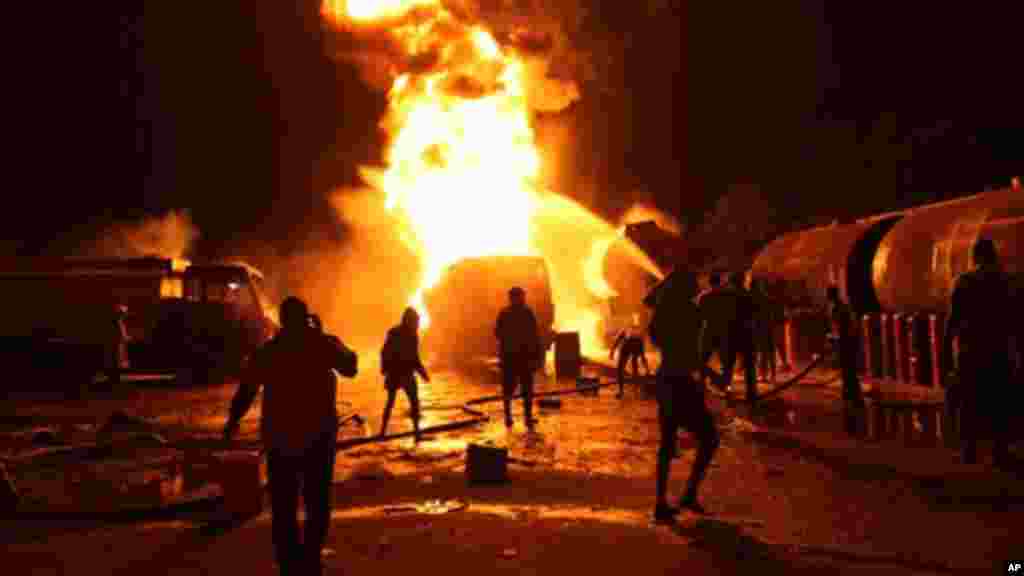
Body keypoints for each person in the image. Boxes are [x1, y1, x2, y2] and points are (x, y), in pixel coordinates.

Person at [223, 297, 358, 576]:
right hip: (318, 436)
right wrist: (325, 336)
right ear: (306, 317)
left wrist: (232, 422)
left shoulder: (269, 351)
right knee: (317, 500)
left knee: (283, 503)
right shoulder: (321, 345)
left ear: (283, 320)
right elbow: (351, 366)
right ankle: (310, 558)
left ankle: (289, 562)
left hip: (280, 437)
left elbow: (246, 390)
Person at [647, 269, 719, 523]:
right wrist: (713, 374)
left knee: (667, 444)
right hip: (681, 382)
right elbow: (690, 355)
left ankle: (660, 502)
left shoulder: (662, 313)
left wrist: (666, 282)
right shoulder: (691, 313)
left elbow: (649, 301)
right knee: (710, 438)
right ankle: (688, 493)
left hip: (665, 379)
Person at [942, 238, 1017, 469]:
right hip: (998, 350)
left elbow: (952, 319)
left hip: (970, 351)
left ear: (974, 257)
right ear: (993, 256)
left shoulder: (963, 282)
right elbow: (1015, 319)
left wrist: (945, 348)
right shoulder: (1006, 282)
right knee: (999, 401)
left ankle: (969, 449)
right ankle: (999, 451)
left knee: (970, 401)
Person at [495, 286, 543, 430]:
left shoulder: (505, 313)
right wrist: (536, 356)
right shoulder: (527, 313)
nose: (522, 299)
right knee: (524, 388)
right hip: (521, 357)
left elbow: (497, 333)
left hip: (512, 357)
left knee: (510, 388)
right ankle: (524, 417)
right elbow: (535, 336)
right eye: (520, 296)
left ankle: (510, 417)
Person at [380, 307, 429, 441]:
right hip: (401, 373)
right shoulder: (406, 334)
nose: (417, 325)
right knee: (412, 403)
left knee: (392, 402)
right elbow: (414, 357)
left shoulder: (396, 332)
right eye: (416, 322)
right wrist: (422, 372)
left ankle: (382, 433)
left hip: (397, 373)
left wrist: (384, 368)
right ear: (410, 321)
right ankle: (417, 434)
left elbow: (384, 352)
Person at [827, 285, 864, 436]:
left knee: (847, 370)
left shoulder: (836, 308)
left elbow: (838, 329)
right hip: (849, 343)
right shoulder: (843, 306)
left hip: (844, 344)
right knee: (850, 370)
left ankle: (851, 396)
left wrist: (831, 338)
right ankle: (854, 395)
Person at [721, 272, 758, 408]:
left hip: (731, 333)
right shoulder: (748, 295)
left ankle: (727, 392)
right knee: (749, 366)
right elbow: (755, 314)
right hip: (746, 333)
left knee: (728, 366)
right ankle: (751, 394)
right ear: (742, 281)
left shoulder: (726, 296)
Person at [696, 271, 732, 391]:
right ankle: (726, 384)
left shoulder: (704, 297)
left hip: (709, 330)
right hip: (722, 330)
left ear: (709, 283)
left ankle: (703, 383)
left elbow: (699, 316)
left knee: (703, 359)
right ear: (719, 282)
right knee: (725, 360)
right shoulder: (726, 296)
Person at [610, 314, 651, 398]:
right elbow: (618, 341)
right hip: (626, 347)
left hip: (630, 346)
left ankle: (631, 390)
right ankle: (624, 391)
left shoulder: (638, 337)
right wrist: (612, 351)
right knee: (622, 369)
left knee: (630, 367)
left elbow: (642, 356)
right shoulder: (629, 332)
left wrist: (647, 370)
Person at [750, 278, 778, 383]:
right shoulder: (766, 298)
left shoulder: (753, 298)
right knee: (767, 352)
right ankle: (771, 374)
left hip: (758, 328)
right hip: (766, 327)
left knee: (761, 353)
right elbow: (772, 314)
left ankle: (764, 375)